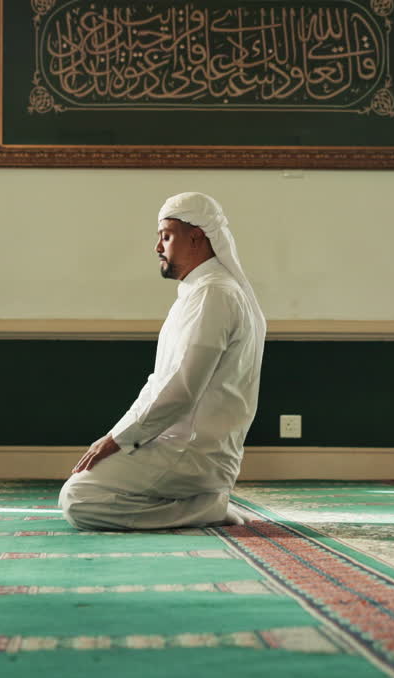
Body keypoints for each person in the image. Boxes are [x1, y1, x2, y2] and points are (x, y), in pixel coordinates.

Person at [58, 192, 266, 531]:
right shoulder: (201, 292)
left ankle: (206, 509)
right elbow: (158, 382)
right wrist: (116, 435)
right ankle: (202, 503)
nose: (157, 247)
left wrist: (118, 441)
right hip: (174, 445)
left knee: (79, 500)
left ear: (197, 237)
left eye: (166, 236)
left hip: (192, 451)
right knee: (85, 484)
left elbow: (181, 391)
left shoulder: (215, 294)